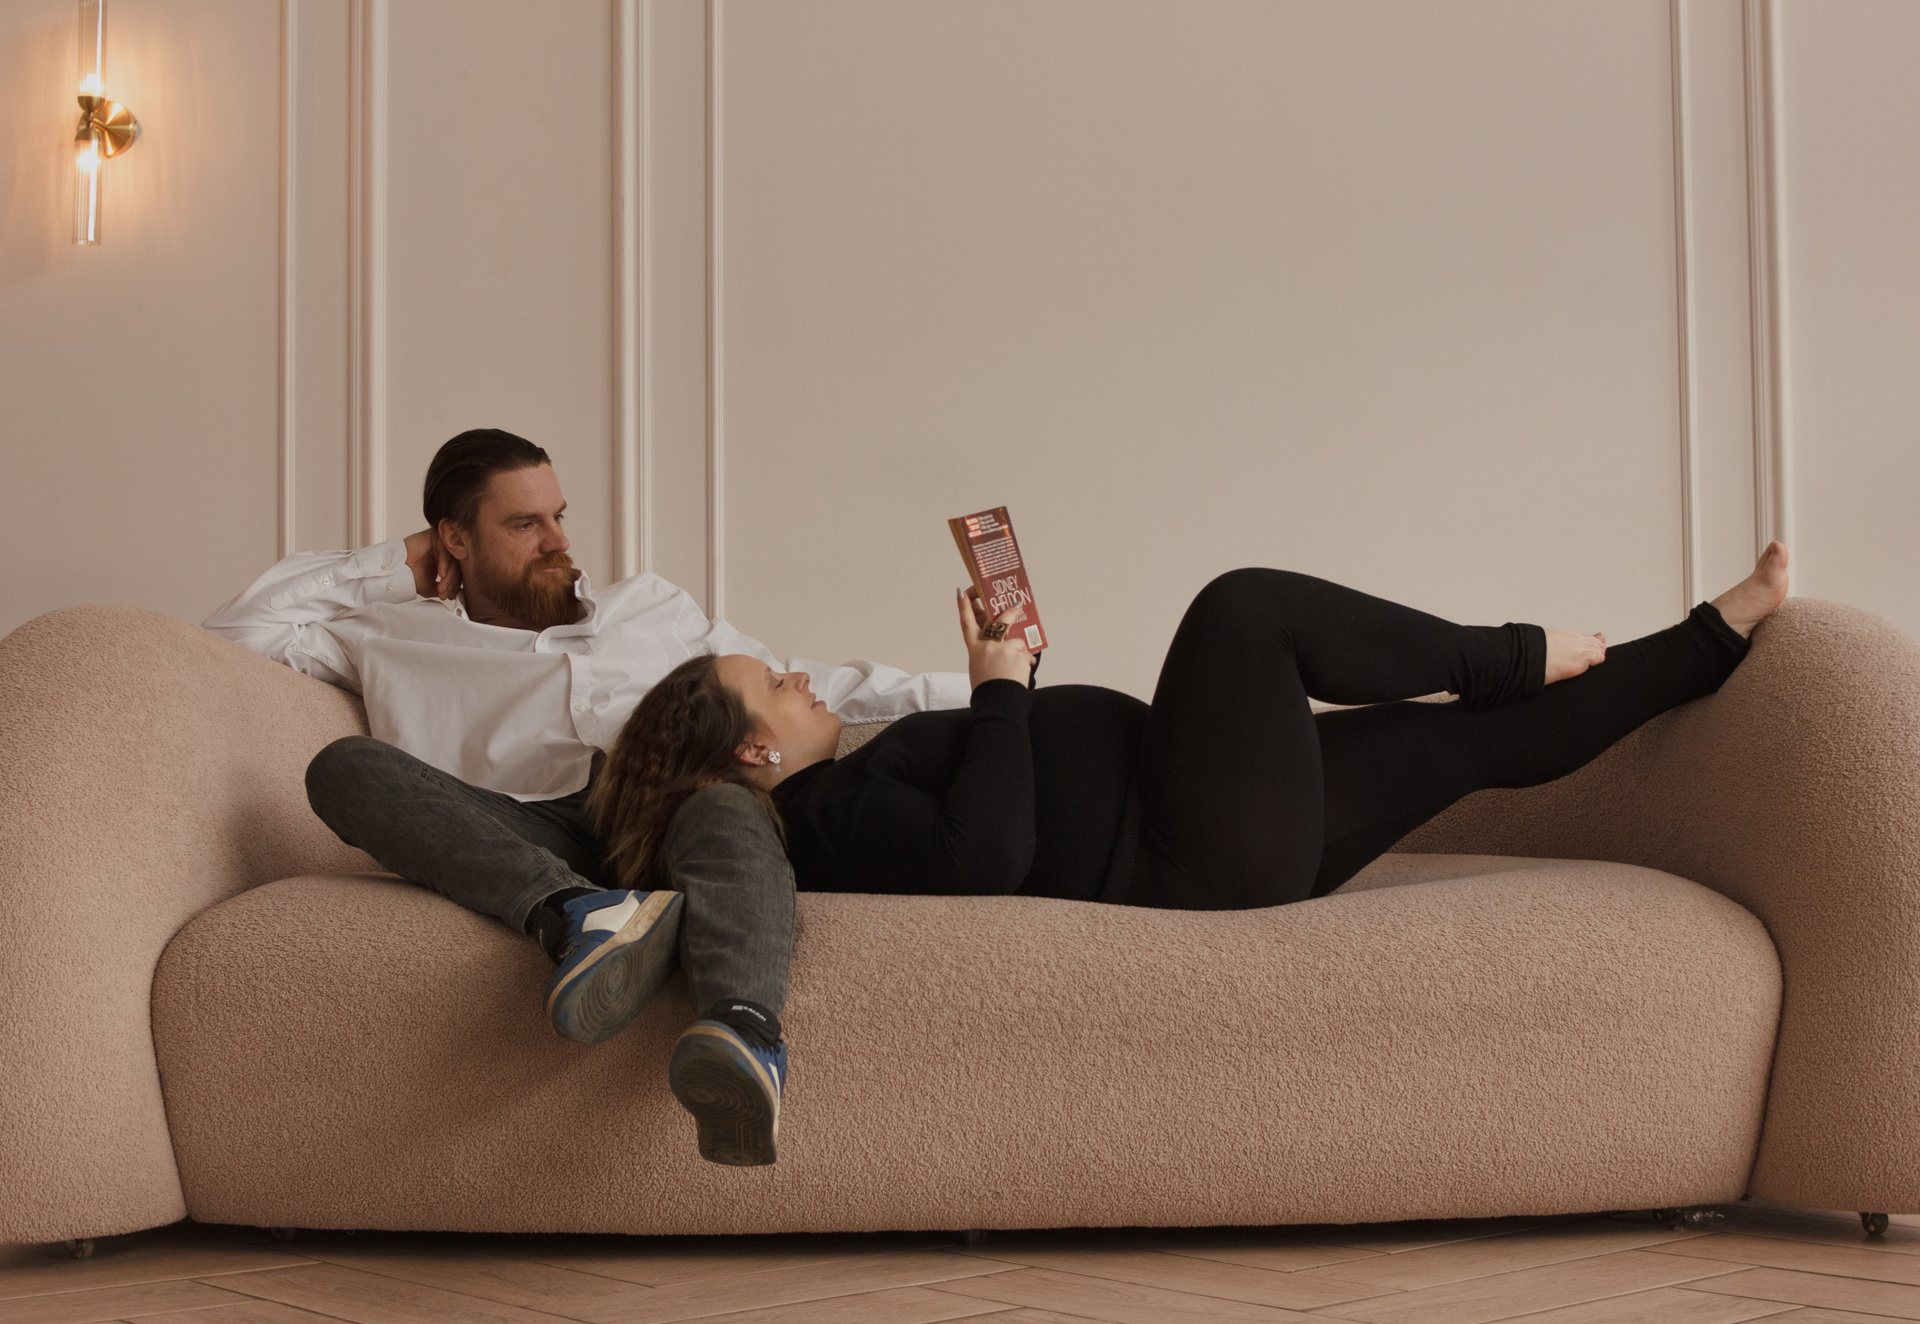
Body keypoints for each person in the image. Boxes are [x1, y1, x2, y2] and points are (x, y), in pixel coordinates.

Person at [590, 542, 1792, 1164]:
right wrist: (1000, 688)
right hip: (1187, 853)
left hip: (1211, 830)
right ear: (751, 750)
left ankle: (1709, 639)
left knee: (1457, 745)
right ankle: (1502, 649)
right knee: (1242, 607)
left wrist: (1011, 686)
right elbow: (984, 853)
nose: (800, 677)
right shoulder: (825, 816)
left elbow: (998, 809)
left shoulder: (847, 783)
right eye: (774, 684)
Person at [203, 428, 966, 1165]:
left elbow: (820, 685)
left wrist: (995, 681)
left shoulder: (651, 607)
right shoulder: (388, 632)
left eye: (559, 517)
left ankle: (743, 1034)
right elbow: (234, 635)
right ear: (456, 539)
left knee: (724, 803)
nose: (558, 542)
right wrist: (394, 560)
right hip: (518, 833)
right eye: (525, 524)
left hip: (663, 816)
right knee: (343, 767)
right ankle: (579, 914)